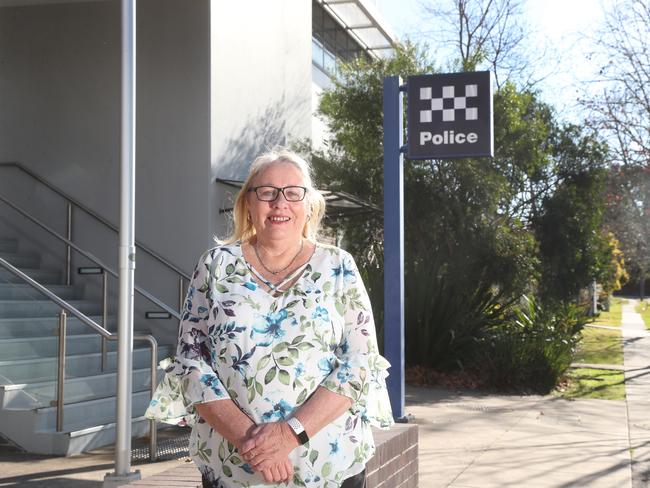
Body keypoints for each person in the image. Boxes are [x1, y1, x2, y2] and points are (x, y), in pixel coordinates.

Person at [146, 148, 393, 488]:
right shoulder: (215, 266)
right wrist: (254, 441)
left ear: (309, 206)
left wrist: (289, 435)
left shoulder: (338, 266)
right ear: (248, 203)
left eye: (293, 193)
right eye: (267, 192)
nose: (280, 203)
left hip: (329, 467)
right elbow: (192, 363)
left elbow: (359, 363)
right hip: (234, 467)